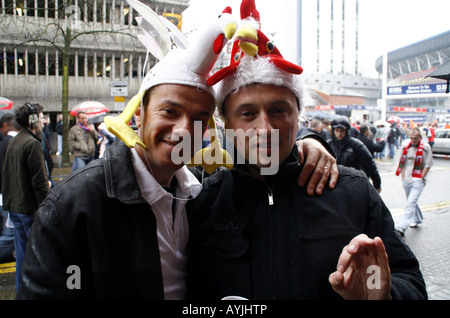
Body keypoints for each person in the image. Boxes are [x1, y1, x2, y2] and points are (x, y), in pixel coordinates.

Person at [17, 5, 337, 300]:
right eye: (170, 111)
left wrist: (306, 143)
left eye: (199, 118)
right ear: (138, 114)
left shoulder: (200, 195)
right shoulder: (75, 205)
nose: (184, 130)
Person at [186, 3, 426, 300]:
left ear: (298, 117)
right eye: (247, 114)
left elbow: (410, 280)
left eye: (278, 110)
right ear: (227, 123)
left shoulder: (354, 193)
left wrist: (385, 295)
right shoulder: (204, 201)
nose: (265, 128)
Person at [1, 103, 50, 289]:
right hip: (29, 208)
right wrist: (45, 208)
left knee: (21, 253)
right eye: (42, 118)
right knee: (38, 254)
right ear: (33, 121)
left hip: (14, 206)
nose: (44, 122)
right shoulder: (32, 144)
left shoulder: (13, 142)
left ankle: (22, 289)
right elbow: (39, 182)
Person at [328, 115, 382, 192]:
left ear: (346, 131)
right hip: (334, 185)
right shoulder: (328, 145)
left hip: (353, 184)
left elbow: (370, 164)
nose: (339, 134)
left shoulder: (356, 145)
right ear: (333, 130)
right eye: (337, 130)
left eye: (342, 131)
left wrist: (377, 184)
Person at [395, 127, 433, 237]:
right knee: (412, 201)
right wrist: (402, 176)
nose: (413, 141)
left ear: (420, 138)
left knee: (410, 203)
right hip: (406, 178)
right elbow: (401, 162)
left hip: (418, 179)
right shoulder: (405, 146)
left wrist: (421, 177)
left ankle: (402, 227)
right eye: (411, 138)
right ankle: (418, 219)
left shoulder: (426, 147)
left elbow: (428, 164)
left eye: (415, 139)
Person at [0, 113, 18, 263]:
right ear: (4, 125)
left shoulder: (6, 141)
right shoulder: (7, 142)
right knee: (9, 233)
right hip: (4, 194)